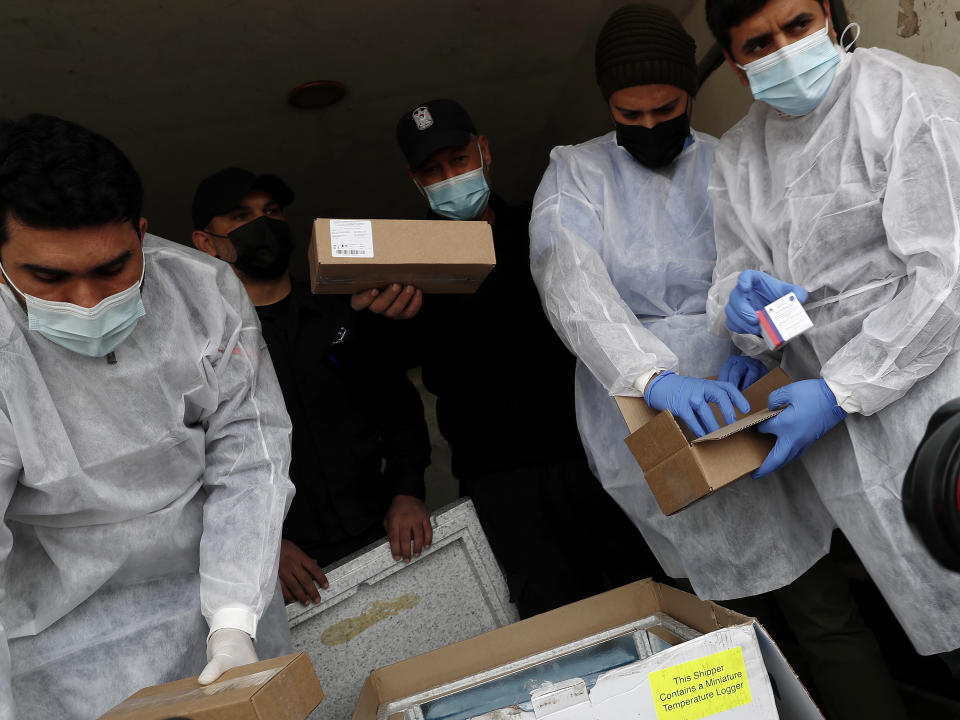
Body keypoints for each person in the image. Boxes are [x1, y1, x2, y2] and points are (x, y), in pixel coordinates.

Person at [528, 5, 907, 719]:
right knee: (707, 641)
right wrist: (654, 378)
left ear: (693, 94)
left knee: (819, 606)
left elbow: (771, 276)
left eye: (665, 107)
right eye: (627, 112)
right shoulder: (575, 175)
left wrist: (751, 345)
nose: (647, 125)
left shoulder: (730, 161)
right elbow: (569, 283)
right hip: (643, 426)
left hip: (751, 409)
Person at [0, 116, 295, 719]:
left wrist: (236, 622)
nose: (88, 303)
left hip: (220, 599)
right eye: (49, 277)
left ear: (142, 232)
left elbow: (251, 453)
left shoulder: (204, 292)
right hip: (61, 643)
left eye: (113, 269)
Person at [706, 0, 960, 649]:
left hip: (943, 403)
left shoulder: (905, 96)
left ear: (828, 13)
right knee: (943, 624)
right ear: (736, 66)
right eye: (759, 43)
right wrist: (743, 315)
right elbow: (751, 283)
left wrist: (841, 387)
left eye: (798, 25)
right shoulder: (739, 158)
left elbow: (947, 276)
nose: (786, 50)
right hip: (850, 453)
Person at [391, 98, 661, 619]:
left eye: (459, 160)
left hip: (592, 454)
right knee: (559, 623)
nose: (450, 177)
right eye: (433, 170)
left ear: (484, 150)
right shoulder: (407, 263)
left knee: (646, 591)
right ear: (414, 180)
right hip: (500, 479)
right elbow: (387, 375)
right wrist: (386, 318)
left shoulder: (543, 227)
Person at [191, 167, 432, 606]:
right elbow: (196, 467)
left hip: (386, 531)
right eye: (241, 217)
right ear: (206, 243)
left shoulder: (343, 312)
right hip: (290, 568)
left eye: (272, 212)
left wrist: (408, 490)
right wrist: (263, 543)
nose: (262, 225)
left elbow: (397, 406)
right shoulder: (206, 347)